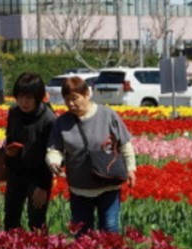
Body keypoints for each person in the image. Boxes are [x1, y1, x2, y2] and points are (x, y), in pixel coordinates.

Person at [46, 76, 137, 235]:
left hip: (108, 184)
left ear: (87, 94)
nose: (71, 104)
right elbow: (55, 150)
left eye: (75, 98)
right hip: (79, 187)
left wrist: (130, 168)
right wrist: (53, 162)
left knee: (110, 229)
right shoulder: (62, 122)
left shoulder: (107, 115)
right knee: (82, 233)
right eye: (67, 100)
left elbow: (125, 144)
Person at [3, 72, 56, 232]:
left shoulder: (49, 119)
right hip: (16, 173)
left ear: (38, 97)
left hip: (38, 175)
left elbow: (53, 154)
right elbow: (9, 138)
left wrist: (43, 186)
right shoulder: (14, 112)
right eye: (20, 97)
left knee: (36, 222)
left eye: (29, 98)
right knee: (10, 219)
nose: (24, 102)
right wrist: (9, 153)